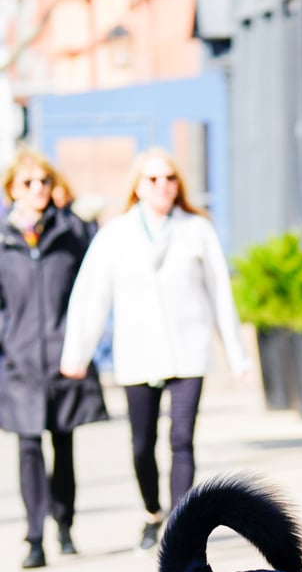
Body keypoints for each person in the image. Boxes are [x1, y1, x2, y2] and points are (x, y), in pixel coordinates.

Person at [61, 147, 251, 551]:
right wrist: (77, 352)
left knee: (182, 438)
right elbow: (91, 295)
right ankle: (152, 513)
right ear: (138, 187)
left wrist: (237, 356)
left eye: (170, 178)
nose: (163, 186)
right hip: (138, 353)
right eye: (153, 179)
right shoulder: (116, 233)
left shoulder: (197, 229)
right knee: (142, 444)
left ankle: (179, 528)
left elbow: (220, 293)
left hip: (189, 350)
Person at [0, 146, 108, 569]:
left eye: (44, 181)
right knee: (28, 447)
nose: (37, 189)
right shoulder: (3, 238)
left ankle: (64, 526)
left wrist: (81, 344)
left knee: (63, 444)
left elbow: (92, 290)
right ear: (12, 189)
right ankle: (33, 538)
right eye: (27, 183)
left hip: (65, 357)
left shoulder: (72, 233)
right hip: (19, 360)